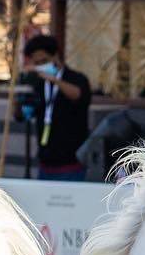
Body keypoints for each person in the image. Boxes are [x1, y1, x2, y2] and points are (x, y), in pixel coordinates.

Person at [18, 34, 92, 181]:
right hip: (45, 163)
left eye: (44, 61)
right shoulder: (38, 84)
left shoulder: (76, 79)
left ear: (56, 56)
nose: (41, 66)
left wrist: (55, 80)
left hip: (72, 163)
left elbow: (78, 95)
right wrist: (18, 96)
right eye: (37, 63)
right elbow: (22, 115)